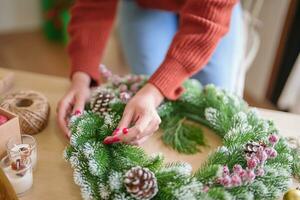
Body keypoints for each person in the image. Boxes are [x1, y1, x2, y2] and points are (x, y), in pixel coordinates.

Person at [57, 0, 243, 145]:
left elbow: (206, 26)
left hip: (211, 8)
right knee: (146, 79)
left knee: (216, 91)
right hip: (148, 4)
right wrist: (82, 76)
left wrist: (158, 87)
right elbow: (93, 6)